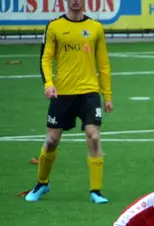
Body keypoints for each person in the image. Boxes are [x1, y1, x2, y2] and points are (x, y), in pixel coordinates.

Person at [26, 0, 113, 204]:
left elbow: (104, 64)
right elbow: (46, 59)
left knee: (93, 137)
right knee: (51, 141)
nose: (75, 1)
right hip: (62, 93)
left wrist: (107, 95)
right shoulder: (54, 26)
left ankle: (96, 191)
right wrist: (48, 83)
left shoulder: (95, 28)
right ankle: (42, 183)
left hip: (89, 92)